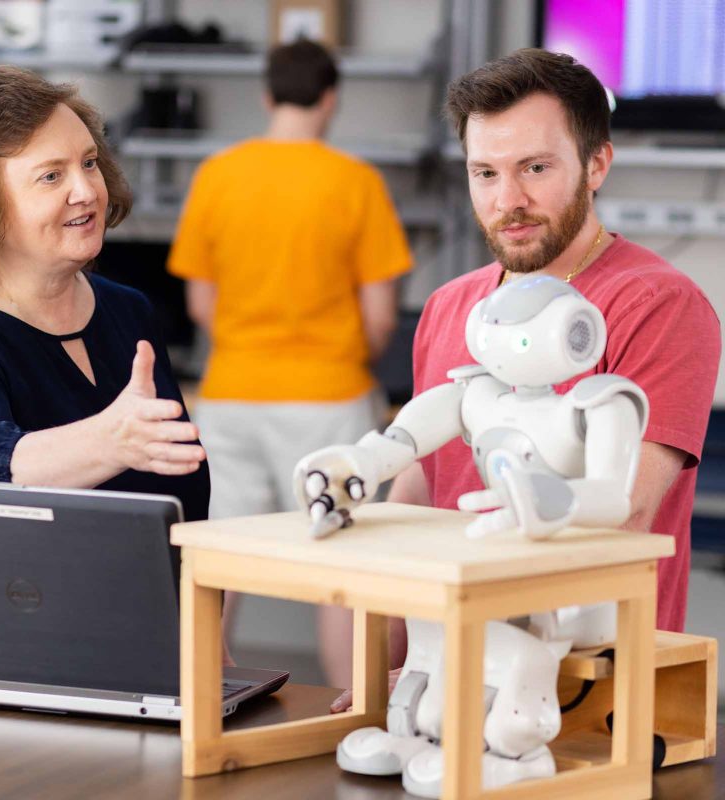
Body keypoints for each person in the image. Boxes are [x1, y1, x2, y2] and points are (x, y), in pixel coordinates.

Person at [328, 47, 720, 712]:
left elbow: (623, 514)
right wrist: (384, 673)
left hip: (586, 691)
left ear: (597, 164)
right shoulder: (454, 306)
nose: (508, 200)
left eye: (535, 168)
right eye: (486, 172)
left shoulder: (660, 304)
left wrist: (468, 666)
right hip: (438, 673)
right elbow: (420, 489)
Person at [167, 39, 412, 686]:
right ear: (331, 97)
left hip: (230, 393)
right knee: (343, 563)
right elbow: (382, 315)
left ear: (266, 94)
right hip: (328, 396)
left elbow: (199, 300)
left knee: (220, 560)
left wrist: (253, 346)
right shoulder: (356, 182)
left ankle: (198, 705)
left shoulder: (218, 174)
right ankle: (352, 715)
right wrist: (335, 357)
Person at [0, 66, 210, 524]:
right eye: (51, 176)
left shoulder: (129, 310)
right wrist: (110, 442)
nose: (86, 190)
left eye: (89, 162)